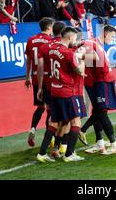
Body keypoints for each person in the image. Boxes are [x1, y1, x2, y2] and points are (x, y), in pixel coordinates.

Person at [36, 26, 86, 162]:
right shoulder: (69, 53)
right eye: (74, 38)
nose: (75, 41)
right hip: (67, 91)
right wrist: (81, 58)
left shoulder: (52, 49)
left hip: (55, 90)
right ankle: (69, 154)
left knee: (54, 123)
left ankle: (42, 153)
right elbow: (79, 71)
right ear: (70, 37)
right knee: (76, 121)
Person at [84, 25, 116, 155]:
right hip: (96, 82)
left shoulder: (98, 45)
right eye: (112, 36)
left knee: (100, 112)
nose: (112, 39)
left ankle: (107, 144)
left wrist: (112, 83)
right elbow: (89, 63)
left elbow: (104, 65)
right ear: (105, 33)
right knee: (99, 112)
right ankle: (103, 143)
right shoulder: (93, 44)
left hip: (101, 82)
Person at [24, 18, 54, 147]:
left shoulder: (31, 40)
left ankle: (33, 129)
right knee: (50, 109)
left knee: (40, 107)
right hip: (47, 78)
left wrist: (28, 77)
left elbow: (29, 60)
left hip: (35, 77)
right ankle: (50, 138)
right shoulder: (50, 41)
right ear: (49, 28)